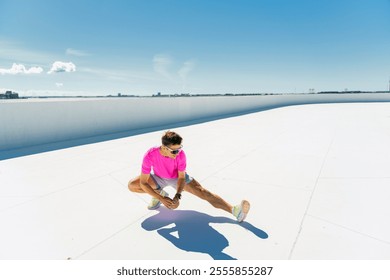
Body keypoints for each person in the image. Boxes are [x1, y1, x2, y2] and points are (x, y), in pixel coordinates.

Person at [128, 131, 250, 222]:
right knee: (132, 185)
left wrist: (177, 195)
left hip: (177, 178)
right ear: (164, 148)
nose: (177, 153)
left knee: (203, 193)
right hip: (159, 178)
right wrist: (161, 198)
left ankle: (235, 211)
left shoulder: (180, 155)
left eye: (179, 149)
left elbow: (181, 177)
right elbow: (144, 182)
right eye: (174, 151)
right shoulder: (150, 155)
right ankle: (159, 193)